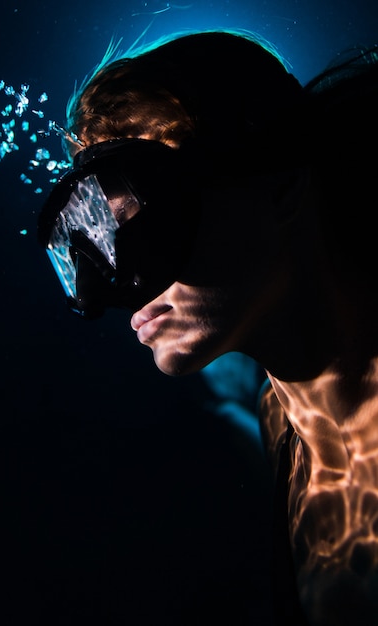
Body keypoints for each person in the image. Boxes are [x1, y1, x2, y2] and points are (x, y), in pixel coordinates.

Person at [37, 29, 378, 626]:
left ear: (285, 190)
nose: (117, 286)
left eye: (146, 223)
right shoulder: (278, 423)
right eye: (99, 241)